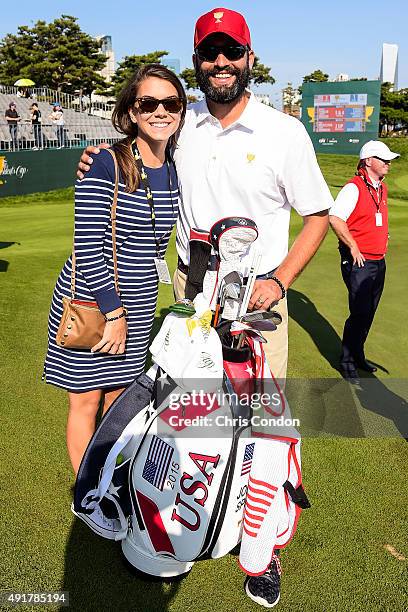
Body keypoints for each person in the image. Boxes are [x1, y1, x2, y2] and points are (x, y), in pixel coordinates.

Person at [77, 8, 333, 607]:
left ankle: (261, 555)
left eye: (231, 52)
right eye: (210, 54)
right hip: (194, 311)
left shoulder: (283, 132)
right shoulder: (185, 124)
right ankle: (187, 523)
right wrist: (100, 154)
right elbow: (139, 146)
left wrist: (281, 279)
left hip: (259, 310)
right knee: (188, 425)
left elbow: (317, 216)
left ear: (249, 58)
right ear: (198, 62)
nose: (221, 63)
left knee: (266, 433)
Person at [44, 65, 186, 526]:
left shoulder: (173, 169)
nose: (160, 111)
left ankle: (108, 478)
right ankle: (87, 495)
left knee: (122, 401)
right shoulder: (107, 160)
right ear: (130, 111)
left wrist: (132, 313)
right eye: (148, 103)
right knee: (86, 400)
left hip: (140, 307)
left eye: (171, 103)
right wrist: (114, 311)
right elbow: (87, 243)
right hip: (94, 302)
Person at [329, 140, 399, 383]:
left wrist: (385, 236)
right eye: (383, 159)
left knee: (368, 313)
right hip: (358, 262)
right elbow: (336, 218)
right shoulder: (353, 188)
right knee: (359, 312)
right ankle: (347, 361)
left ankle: (358, 355)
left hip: (378, 261)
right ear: (368, 161)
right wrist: (354, 246)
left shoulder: (382, 188)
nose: (388, 163)